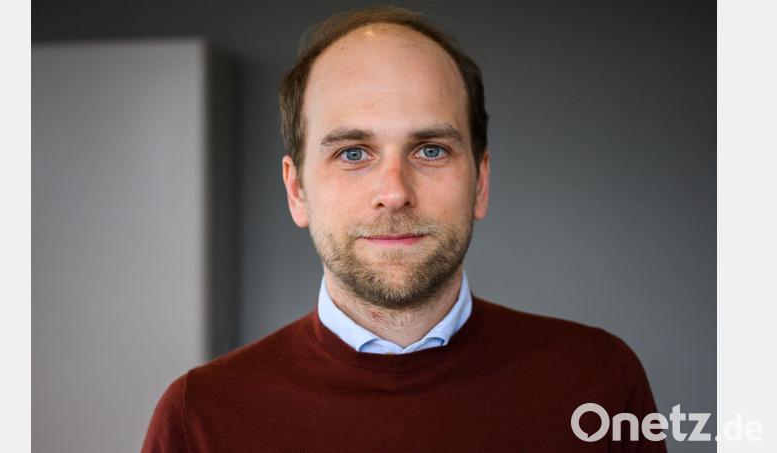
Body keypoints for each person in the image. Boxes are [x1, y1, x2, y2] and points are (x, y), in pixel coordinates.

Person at [143, 6, 667, 452]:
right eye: (353, 153)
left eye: (431, 150)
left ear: (480, 182)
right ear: (297, 190)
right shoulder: (200, 420)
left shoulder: (599, 381)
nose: (394, 191)